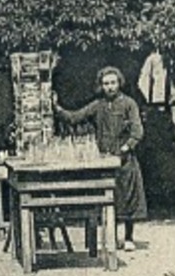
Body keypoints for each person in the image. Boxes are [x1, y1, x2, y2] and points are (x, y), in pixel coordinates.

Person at [55, 66, 146, 251]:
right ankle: (111, 238)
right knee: (109, 198)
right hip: (104, 159)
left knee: (128, 197)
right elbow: (74, 117)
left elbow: (138, 131)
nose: (110, 87)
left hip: (125, 159)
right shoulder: (98, 105)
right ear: (101, 86)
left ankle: (128, 238)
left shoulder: (129, 104)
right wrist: (56, 107)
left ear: (119, 83)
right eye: (106, 84)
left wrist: (125, 148)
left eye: (113, 83)